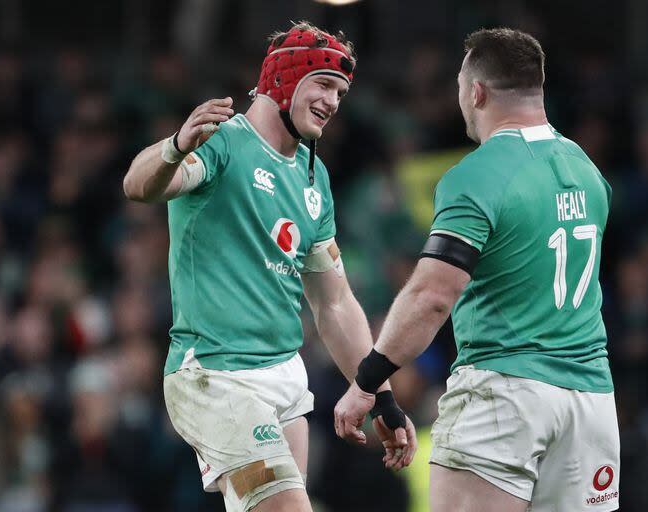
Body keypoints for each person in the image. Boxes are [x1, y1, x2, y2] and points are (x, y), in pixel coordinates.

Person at [123, 21, 416, 512]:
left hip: (284, 377)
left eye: (341, 92)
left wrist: (380, 395)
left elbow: (335, 302)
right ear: (285, 77)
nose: (333, 101)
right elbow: (138, 185)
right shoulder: (220, 142)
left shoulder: (313, 176)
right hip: (217, 376)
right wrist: (175, 146)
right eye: (323, 84)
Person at [334, 27, 620, 512]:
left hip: (506, 395)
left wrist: (367, 382)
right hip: (590, 403)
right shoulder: (587, 171)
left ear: (476, 91)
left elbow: (432, 296)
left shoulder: (478, 175)